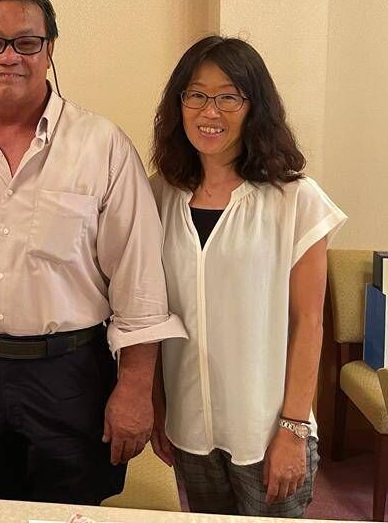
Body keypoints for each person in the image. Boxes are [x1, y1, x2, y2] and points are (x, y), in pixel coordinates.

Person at [0, 0, 187, 504]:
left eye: (26, 42)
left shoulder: (101, 145)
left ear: (50, 50)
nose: (8, 56)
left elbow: (139, 276)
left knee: (72, 509)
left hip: (70, 372)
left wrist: (134, 388)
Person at [149, 35, 346, 517]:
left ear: (254, 106)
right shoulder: (158, 195)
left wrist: (293, 429)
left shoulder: (295, 200)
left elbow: (308, 324)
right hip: (190, 426)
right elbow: (151, 310)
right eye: (196, 94)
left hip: (267, 431)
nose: (209, 111)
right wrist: (157, 406)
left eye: (228, 97)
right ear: (179, 105)